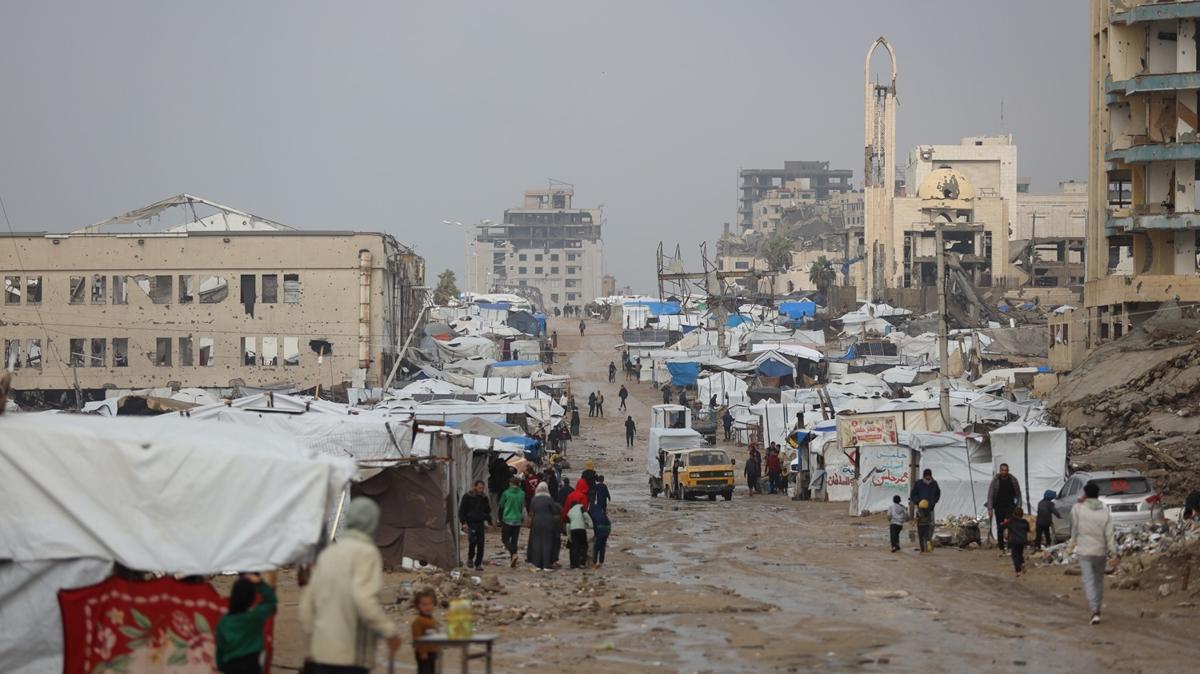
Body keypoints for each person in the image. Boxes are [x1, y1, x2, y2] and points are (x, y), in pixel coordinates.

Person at [299, 498, 401, 674]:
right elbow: (364, 599)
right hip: (350, 656)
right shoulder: (366, 553)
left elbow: (307, 607)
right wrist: (389, 631)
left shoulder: (328, 554)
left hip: (322, 655)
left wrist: (314, 642)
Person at [1071, 482, 1117, 624]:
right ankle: (1098, 607)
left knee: (1089, 580)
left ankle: (1094, 610)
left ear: (1085, 494)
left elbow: (1074, 529)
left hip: (1084, 551)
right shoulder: (1104, 510)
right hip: (1100, 551)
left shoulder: (1078, 508)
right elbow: (1109, 533)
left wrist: (1071, 545)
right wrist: (1114, 551)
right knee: (1098, 581)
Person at [216, 573, 277, 674]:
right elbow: (271, 602)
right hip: (251, 665)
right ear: (252, 598)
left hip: (230, 666)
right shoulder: (254, 617)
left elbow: (220, 647)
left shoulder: (224, 620)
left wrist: (220, 666)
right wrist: (260, 583)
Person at [986, 463, 1022, 555]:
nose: (1004, 472)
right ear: (1000, 470)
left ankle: (1010, 547)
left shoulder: (1013, 480)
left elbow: (1018, 494)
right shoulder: (995, 481)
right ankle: (1001, 546)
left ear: (1008, 471)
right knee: (1000, 527)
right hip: (999, 508)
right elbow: (990, 495)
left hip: (1010, 508)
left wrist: (1018, 506)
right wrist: (990, 508)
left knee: (1011, 527)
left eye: (1005, 470)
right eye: (1002, 470)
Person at [527, 482, 562, 570]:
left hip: (536, 522)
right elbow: (554, 511)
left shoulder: (534, 499)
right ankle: (546, 564)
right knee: (547, 542)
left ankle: (537, 564)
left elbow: (531, 512)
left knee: (536, 543)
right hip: (548, 522)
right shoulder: (549, 499)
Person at [458, 480, 492, 570]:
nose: (481, 490)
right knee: (472, 542)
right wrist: (463, 523)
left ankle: (478, 564)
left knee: (481, 544)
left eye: (482, 488)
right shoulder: (467, 496)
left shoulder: (484, 497)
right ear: (475, 486)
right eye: (479, 488)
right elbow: (462, 511)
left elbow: (487, 511)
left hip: (480, 523)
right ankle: (470, 558)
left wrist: (490, 522)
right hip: (471, 523)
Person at [410, 589, 439, 674]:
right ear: (417, 606)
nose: (428, 607)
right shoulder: (419, 621)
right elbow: (417, 638)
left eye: (430, 604)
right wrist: (422, 652)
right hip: (424, 654)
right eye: (424, 605)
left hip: (432, 652)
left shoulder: (432, 620)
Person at [499, 477, 526, 568]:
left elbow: (501, 505)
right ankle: (513, 560)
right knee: (514, 541)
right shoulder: (522, 493)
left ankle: (514, 553)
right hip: (517, 520)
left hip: (507, 519)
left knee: (505, 539)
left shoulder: (506, 493)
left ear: (511, 483)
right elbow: (523, 506)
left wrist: (500, 518)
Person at [909, 469, 942, 535]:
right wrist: (918, 501)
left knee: (931, 524)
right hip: (921, 508)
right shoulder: (919, 483)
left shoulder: (934, 483)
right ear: (924, 476)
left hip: (930, 507)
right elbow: (913, 494)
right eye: (926, 476)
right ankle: (922, 538)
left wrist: (934, 501)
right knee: (921, 524)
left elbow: (938, 493)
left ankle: (929, 538)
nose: (928, 477)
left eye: (929, 476)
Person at [566, 498, 594, 569]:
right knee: (583, 546)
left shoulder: (569, 512)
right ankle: (582, 563)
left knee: (575, 547)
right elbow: (586, 515)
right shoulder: (581, 507)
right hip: (581, 529)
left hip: (573, 530)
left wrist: (569, 536)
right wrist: (590, 524)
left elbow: (568, 525)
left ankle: (575, 564)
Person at [488, 454, 513, 521]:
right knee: (503, 505)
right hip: (504, 488)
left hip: (494, 488)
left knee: (494, 505)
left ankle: (495, 519)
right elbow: (510, 474)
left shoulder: (493, 468)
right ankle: (501, 518)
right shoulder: (505, 467)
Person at [1007, 507, 1031, 576]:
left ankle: (1018, 571)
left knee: (1015, 555)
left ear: (1014, 513)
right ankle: (1022, 563)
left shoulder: (1011, 521)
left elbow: (1004, 526)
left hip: (1014, 540)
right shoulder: (1025, 521)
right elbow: (1028, 529)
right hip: (1022, 540)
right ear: (1022, 514)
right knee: (1020, 553)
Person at [591, 501, 612, 568]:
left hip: (600, 531)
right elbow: (609, 523)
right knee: (602, 546)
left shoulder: (593, 515)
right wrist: (608, 532)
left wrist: (595, 535)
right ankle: (601, 562)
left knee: (596, 547)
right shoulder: (603, 514)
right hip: (606, 530)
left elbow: (594, 526)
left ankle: (594, 562)